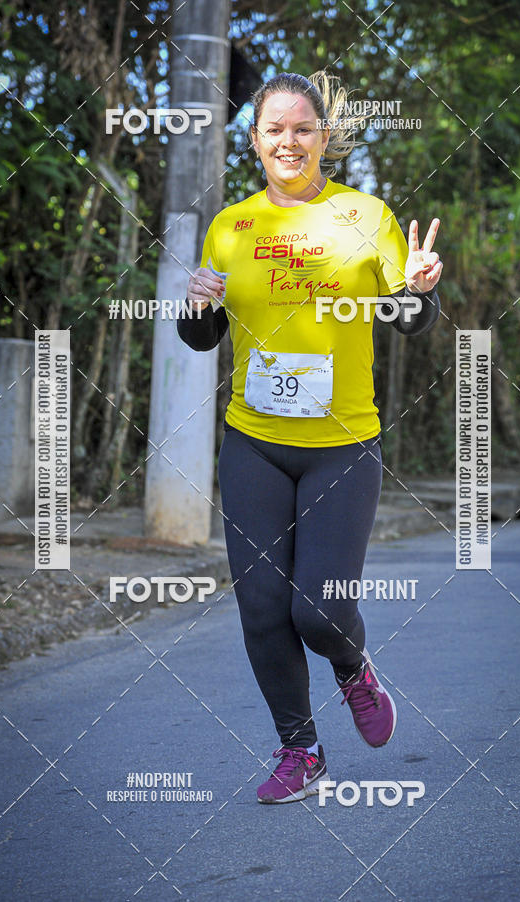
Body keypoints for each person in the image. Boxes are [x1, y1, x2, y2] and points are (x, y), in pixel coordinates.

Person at [178, 71, 443, 805]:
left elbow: (409, 318)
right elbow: (202, 336)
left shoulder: (366, 216)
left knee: (318, 610)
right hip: (254, 441)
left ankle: (354, 669)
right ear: (255, 140)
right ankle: (302, 750)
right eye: (273, 130)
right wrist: (196, 307)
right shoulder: (232, 226)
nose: (287, 141)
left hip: (342, 443)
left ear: (323, 136)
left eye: (302, 128)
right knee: (262, 609)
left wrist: (418, 292)